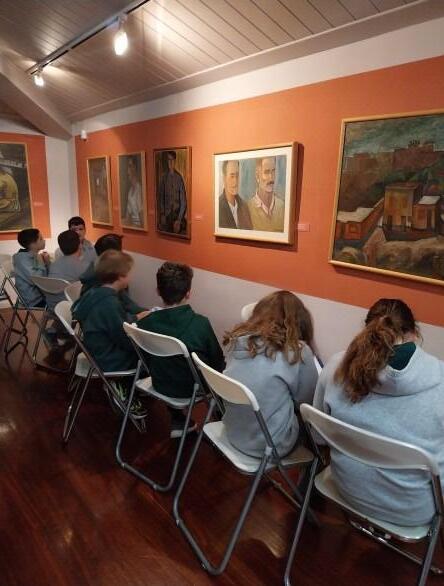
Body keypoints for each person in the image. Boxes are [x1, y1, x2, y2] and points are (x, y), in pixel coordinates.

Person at [314, 299, 444, 526]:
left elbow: (318, 436)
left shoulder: (335, 366)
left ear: (367, 329)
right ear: (415, 333)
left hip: (346, 488)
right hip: (412, 511)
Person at [222, 291, 318, 458]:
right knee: (316, 430)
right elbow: (307, 403)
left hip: (233, 431)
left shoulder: (236, 340)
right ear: (299, 321)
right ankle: (312, 473)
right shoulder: (298, 351)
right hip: (271, 445)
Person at [138, 262, 225, 437]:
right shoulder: (200, 324)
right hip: (190, 389)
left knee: (170, 364)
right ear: (188, 293)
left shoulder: (146, 323)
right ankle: (221, 421)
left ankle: (178, 420)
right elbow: (217, 363)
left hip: (159, 382)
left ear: (158, 291)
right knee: (218, 373)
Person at [72, 250, 149, 417]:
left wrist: (134, 317)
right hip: (109, 358)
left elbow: (112, 324)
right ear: (120, 276)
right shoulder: (109, 303)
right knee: (149, 356)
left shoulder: (94, 293)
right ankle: (121, 387)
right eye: (129, 273)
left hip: (95, 349)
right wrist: (140, 332)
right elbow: (123, 338)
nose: (131, 277)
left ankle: (127, 386)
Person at [80, 232, 145, 319]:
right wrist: (137, 317)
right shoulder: (106, 294)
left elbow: (126, 304)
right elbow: (118, 319)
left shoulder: (97, 275)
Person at [46, 230, 91, 311]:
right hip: (72, 309)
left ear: (61, 248)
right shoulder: (83, 266)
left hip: (53, 307)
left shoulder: (54, 264)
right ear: (79, 245)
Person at [13, 228, 50, 307]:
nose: (44, 240)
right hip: (35, 300)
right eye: (41, 239)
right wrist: (43, 262)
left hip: (43, 295)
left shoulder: (34, 256)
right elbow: (38, 280)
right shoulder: (22, 259)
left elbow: (47, 277)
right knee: (62, 303)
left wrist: (47, 263)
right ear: (32, 244)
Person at [247, 157, 285, 232]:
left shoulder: (282, 206)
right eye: (266, 172)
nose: (271, 178)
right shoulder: (248, 208)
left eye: (273, 171)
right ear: (257, 176)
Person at [157, 151, 187, 235]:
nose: (170, 162)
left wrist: (179, 219)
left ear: (175, 161)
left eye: (172, 160)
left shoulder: (179, 178)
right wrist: (162, 214)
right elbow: (160, 198)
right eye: (168, 160)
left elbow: (183, 201)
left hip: (177, 215)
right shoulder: (163, 178)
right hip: (166, 215)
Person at [218, 160, 252, 230]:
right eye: (232, 176)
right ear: (224, 179)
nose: (235, 181)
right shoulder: (218, 206)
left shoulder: (244, 206)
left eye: (237, 175)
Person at [124, 156, 143, 228]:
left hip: (138, 227)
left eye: (130, 166)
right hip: (133, 226)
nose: (127, 170)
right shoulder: (130, 191)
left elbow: (142, 222)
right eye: (127, 167)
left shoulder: (139, 189)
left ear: (134, 168)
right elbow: (128, 215)